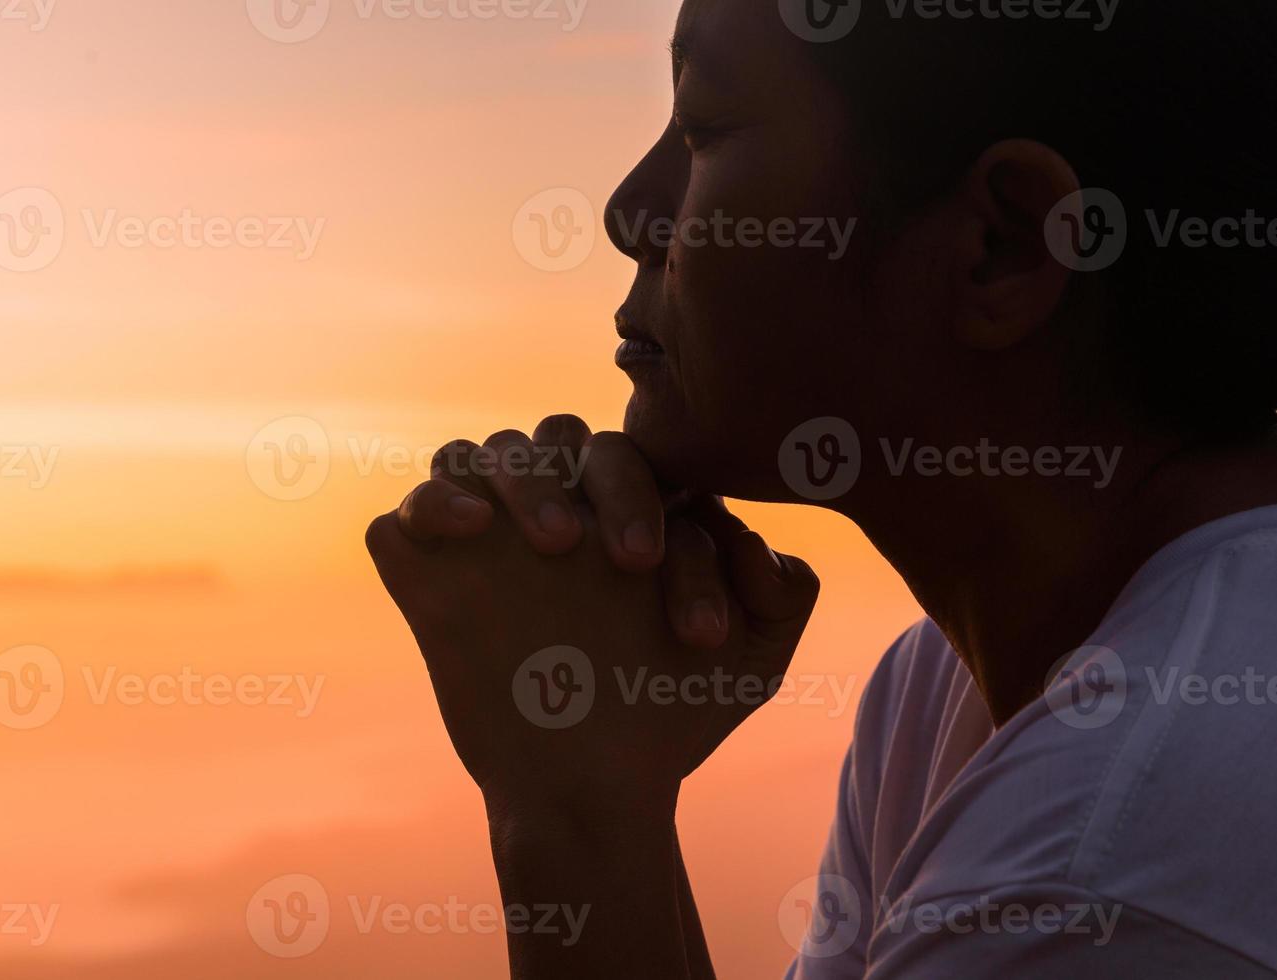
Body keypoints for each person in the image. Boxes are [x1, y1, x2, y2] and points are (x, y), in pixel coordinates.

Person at [365, 0, 1277, 975]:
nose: (629, 207)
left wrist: (566, 807)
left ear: (1001, 245)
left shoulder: (1098, 868)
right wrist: (606, 781)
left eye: (704, 127)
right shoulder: (940, 694)